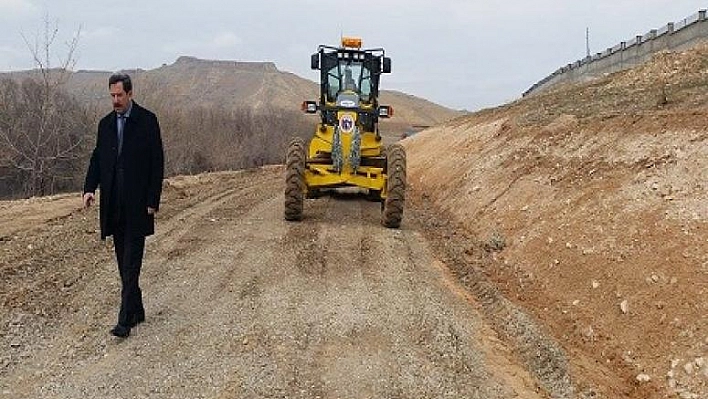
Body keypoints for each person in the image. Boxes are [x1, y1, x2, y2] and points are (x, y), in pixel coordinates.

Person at [83, 73, 164, 338]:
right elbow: (97, 158)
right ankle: (137, 308)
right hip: (113, 203)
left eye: (119, 95)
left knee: (132, 262)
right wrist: (88, 188)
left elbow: (157, 162)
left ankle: (124, 320)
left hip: (138, 205)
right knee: (122, 261)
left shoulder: (147, 121)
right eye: (112, 96)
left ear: (130, 93)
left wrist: (153, 200)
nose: (115, 100)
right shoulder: (105, 124)